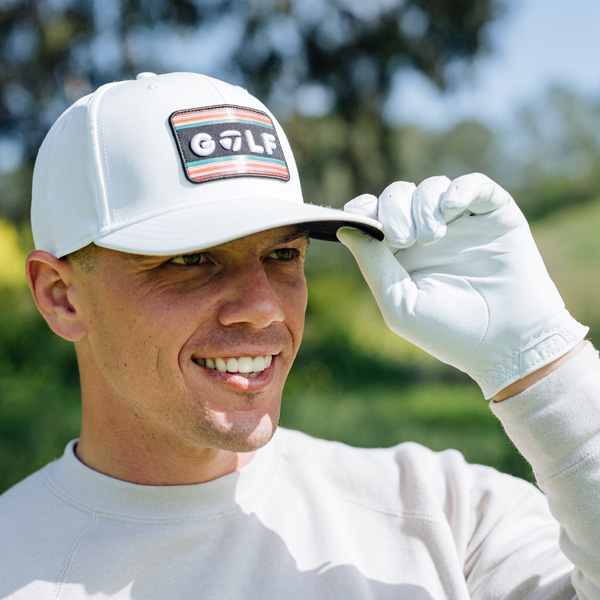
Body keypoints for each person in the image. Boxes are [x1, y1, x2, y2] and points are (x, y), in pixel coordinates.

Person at [0, 71, 598, 599]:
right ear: (61, 295)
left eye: (284, 252)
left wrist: (544, 365)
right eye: (189, 260)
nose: (263, 308)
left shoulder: (443, 514)